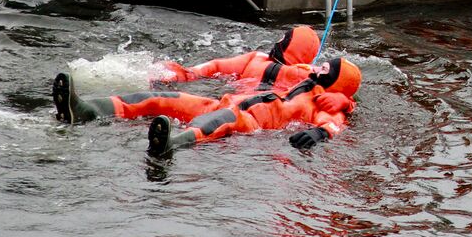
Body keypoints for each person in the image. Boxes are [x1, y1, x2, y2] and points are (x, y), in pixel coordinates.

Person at [51, 57, 362, 156]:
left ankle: (171, 142)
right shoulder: (296, 75)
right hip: (223, 103)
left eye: (328, 68)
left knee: (220, 119)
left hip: (250, 122)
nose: (320, 67)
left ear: (335, 82)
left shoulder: (325, 101)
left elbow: (335, 122)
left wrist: (322, 134)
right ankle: (87, 109)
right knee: (161, 99)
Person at [157, 24, 320, 94]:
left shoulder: (256, 58)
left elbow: (216, 66)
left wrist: (190, 73)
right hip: (256, 117)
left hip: (230, 100)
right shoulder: (307, 79)